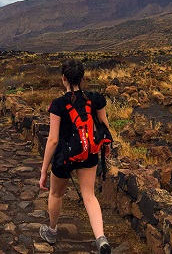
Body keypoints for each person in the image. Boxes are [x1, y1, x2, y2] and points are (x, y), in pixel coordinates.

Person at [39, 60, 111, 253]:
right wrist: (105, 145)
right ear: (83, 78)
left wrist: (44, 170)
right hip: (89, 152)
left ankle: (52, 231)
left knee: (56, 194)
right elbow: (104, 125)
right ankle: (101, 238)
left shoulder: (58, 104)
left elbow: (53, 140)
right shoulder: (95, 98)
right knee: (89, 195)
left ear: (63, 78)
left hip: (64, 157)